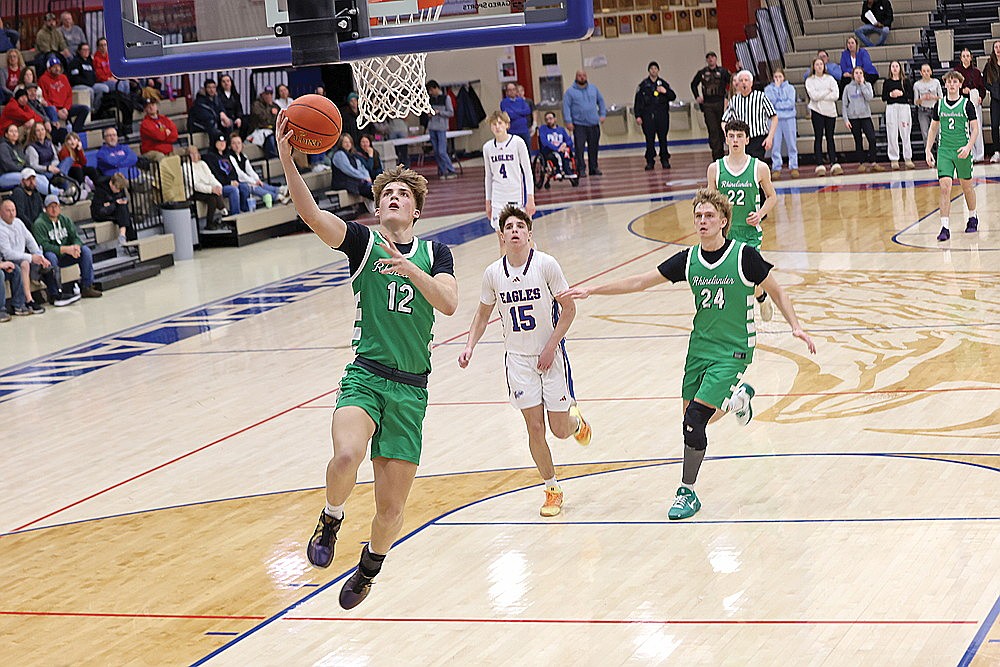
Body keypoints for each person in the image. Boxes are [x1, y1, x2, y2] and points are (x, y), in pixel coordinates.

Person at [276, 110, 459, 609]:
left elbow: (447, 302)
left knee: (390, 511)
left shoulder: (437, 253)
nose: (393, 199)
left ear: (416, 210)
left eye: (401, 195)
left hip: (411, 390)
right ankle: (331, 517)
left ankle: (369, 570)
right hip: (367, 376)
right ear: (377, 210)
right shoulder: (364, 244)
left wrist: (408, 268)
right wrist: (288, 161)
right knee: (345, 455)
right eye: (385, 196)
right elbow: (313, 216)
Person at [557, 188, 816, 520]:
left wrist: (795, 325)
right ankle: (737, 401)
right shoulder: (689, 259)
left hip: (734, 348)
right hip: (700, 347)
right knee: (691, 419)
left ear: (724, 221)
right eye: (698, 216)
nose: (702, 221)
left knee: (694, 421)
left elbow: (776, 289)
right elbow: (640, 282)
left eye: (709, 216)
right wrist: (592, 289)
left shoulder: (744, 256)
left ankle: (687, 492)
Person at [458, 205, 592, 517]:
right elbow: (481, 314)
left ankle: (576, 422)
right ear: (501, 235)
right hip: (518, 361)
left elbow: (569, 309)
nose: (515, 231)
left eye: (521, 226)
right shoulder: (493, 273)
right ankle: (552, 488)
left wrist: (550, 347)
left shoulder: (546, 265)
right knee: (534, 427)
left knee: (559, 429)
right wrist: (470, 346)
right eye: (510, 227)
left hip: (551, 355)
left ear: (529, 234)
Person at [707, 119, 779, 320]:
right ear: (726, 139)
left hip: (749, 232)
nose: (735, 140)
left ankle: (762, 297)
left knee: (749, 274)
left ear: (747, 139)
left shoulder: (759, 167)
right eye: (731, 136)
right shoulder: (715, 168)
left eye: (739, 136)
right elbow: (710, 203)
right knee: (730, 276)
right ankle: (743, 310)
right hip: (725, 233)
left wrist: (760, 213)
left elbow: (772, 197)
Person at [925, 70, 979, 241]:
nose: (952, 84)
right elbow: (933, 128)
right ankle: (945, 227)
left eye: (955, 81)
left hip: (962, 150)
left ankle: (973, 216)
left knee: (967, 187)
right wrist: (928, 149)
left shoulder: (966, 104)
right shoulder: (939, 105)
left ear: (960, 84)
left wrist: (969, 147)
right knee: (945, 187)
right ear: (946, 84)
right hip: (945, 151)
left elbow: (975, 129)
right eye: (949, 81)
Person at [32, 194, 102, 298]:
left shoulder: (65, 220)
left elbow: (76, 237)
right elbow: (44, 246)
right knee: (50, 256)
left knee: (85, 251)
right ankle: (55, 293)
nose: (54, 209)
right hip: (51, 257)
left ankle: (87, 287)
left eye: (56, 206)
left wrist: (76, 247)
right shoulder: (39, 224)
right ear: (45, 209)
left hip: (67, 255)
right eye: (51, 207)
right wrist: (64, 249)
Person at [482, 110, 534, 246]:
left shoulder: (517, 142)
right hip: (498, 198)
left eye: (500, 123)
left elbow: (528, 172)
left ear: (507, 124)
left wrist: (530, 197)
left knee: (524, 239)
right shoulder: (487, 147)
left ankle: (532, 260)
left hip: (517, 196)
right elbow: (488, 176)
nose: (497, 127)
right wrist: (488, 201)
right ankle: (505, 267)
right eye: (494, 124)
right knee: (503, 240)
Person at [0, 198, 58, 312]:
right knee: (24, 264)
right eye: (8, 211)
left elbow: (30, 240)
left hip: (20, 258)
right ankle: (28, 300)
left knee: (47, 261)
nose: (12, 213)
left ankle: (55, 293)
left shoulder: (18, 222)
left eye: (13, 210)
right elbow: (8, 254)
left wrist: (40, 256)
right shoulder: (1, 228)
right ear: (1, 212)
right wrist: (31, 257)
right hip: (8, 259)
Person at [721, 70, 777, 160]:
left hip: (758, 138)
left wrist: (770, 137)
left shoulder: (760, 97)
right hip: (740, 139)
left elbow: (774, 117)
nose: (743, 83)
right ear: (737, 84)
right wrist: (728, 135)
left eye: (746, 80)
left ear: (751, 83)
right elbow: (724, 121)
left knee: (755, 167)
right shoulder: (734, 100)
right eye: (741, 80)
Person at [634, 61, 676, 170]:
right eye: (651, 69)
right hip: (648, 117)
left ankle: (664, 159)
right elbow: (638, 102)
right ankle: (650, 161)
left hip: (662, 116)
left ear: (658, 70)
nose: (654, 70)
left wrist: (665, 91)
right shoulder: (643, 85)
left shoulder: (663, 84)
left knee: (663, 139)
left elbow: (673, 96)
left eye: (655, 68)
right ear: (649, 71)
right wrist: (638, 116)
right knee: (649, 140)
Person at [563, 69, 605, 176]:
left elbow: (601, 101)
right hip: (579, 124)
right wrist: (568, 121)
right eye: (580, 75)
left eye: (584, 75)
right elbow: (566, 107)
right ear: (576, 77)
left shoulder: (593, 89)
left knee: (594, 147)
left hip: (593, 124)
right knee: (579, 148)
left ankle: (593, 168)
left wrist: (602, 114)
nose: (582, 77)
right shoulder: (570, 92)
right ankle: (581, 169)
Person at [805, 57, 843, 176]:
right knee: (818, 137)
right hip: (817, 111)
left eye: (821, 64)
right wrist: (827, 92)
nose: (819, 66)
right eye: (817, 64)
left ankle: (833, 162)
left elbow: (836, 95)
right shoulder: (810, 80)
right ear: (813, 67)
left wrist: (822, 95)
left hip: (830, 112)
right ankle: (820, 164)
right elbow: (814, 96)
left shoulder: (830, 79)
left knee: (830, 137)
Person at [691, 52, 732, 161]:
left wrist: (728, 97)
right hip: (708, 104)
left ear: (716, 59)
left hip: (720, 103)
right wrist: (697, 97)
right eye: (708, 58)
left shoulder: (723, 72)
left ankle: (726, 153)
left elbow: (732, 82)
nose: (710, 60)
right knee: (713, 130)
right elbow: (693, 84)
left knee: (722, 129)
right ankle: (717, 156)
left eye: (712, 57)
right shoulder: (702, 72)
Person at [843, 66, 884, 173]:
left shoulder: (868, 85)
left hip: (865, 116)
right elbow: (844, 105)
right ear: (853, 75)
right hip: (853, 117)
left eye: (860, 73)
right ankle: (861, 163)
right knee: (858, 140)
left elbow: (869, 97)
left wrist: (862, 85)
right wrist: (846, 119)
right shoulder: (848, 88)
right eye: (856, 73)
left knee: (872, 138)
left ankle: (873, 162)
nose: (858, 75)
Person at [228, 134, 288, 207]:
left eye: (239, 143)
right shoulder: (230, 157)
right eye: (234, 143)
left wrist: (257, 179)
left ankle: (280, 190)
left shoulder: (243, 156)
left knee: (259, 183)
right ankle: (277, 196)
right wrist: (253, 181)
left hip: (246, 180)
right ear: (230, 145)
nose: (237, 146)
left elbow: (250, 170)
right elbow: (239, 174)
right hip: (238, 182)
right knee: (251, 185)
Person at [1, 129, 61, 197]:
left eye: (16, 131)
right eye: (11, 131)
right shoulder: (3, 146)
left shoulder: (18, 147)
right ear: (6, 134)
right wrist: (23, 170)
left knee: (42, 177)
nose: (14, 133)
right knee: (30, 178)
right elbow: (8, 165)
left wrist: (28, 169)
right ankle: (59, 193)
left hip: (19, 172)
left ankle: (53, 195)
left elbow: (24, 162)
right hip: (5, 175)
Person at [38, 55, 88, 132]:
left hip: (65, 108)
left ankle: (75, 132)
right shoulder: (43, 80)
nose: (57, 69)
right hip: (53, 109)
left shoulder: (63, 77)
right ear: (49, 69)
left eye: (58, 66)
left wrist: (66, 109)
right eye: (54, 67)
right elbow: (45, 99)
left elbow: (69, 95)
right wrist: (58, 112)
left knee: (84, 109)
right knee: (52, 110)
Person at [763, 68, 798, 177]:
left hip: (789, 118)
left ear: (784, 77)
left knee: (792, 143)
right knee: (775, 144)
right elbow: (770, 103)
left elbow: (790, 103)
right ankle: (776, 167)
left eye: (780, 76)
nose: (778, 79)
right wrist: (777, 89)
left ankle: (794, 166)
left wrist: (778, 104)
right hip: (774, 119)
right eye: (776, 77)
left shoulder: (790, 88)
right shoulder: (768, 89)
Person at [954, 48, 986, 162]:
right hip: (962, 103)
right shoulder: (956, 71)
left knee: (976, 128)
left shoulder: (976, 72)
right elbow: (953, 86)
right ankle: (969, 153)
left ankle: (980, 154)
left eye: (968, 56)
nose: (966, 58)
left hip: (974, 102)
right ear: (961, 58)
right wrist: (962, 90)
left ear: (971, 57)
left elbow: (982, 88)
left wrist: (981, 97)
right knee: (965, 129)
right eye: (964, 56)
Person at [881, 60, 914, 169]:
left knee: (905, 133)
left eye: (896, 66)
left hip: (903, 108)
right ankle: (894, 159)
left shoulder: (905, 81)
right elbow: (883, 97)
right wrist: (891, 94)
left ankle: (908, 158)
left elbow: (911, 96)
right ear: (890, 69)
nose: (895, 68)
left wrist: (901, 93)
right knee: (892, 133)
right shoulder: (887, 82)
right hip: (891, 108)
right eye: (893, 66)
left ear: (900, 68)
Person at [205, 133, 249, 214]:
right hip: (221, 186)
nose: (222, 144)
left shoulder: (227, 155)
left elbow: (234, 172)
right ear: (214, 143)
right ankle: (235, 215)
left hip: (231, 183)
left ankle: (245, 210)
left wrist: (234, 180)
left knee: (244, 187)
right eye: (219, 142)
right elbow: (215, 175)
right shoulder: (210, 157)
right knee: (233, 190)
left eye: (224, 142)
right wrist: (229, 182)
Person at [186, 145, 228, 228]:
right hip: (195, 192)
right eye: (192, 154)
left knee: (212, 198)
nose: (194, 155)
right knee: (213, 197)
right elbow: (195, 185)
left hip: (208, 189)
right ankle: (223, 210)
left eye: (196, 153)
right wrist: (211, 189)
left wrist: (218, 186)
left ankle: (210, 223)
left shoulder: (202, 163)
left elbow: (211, 177)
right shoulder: (186, 166)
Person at [91, 173, 135, 244]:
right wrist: (114, 204)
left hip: (113, 210)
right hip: (100, 214)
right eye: (117, 188)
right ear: (111, 183)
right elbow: (99, 211)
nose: (118, 191)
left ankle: (123, 235)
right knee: (122, 210)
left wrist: (117, 202)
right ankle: (128, 238)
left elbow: (121, 198)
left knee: (122, 208)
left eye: (120, 189)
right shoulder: (100, 190)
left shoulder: (119, 188)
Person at [425, 80, 457, 179]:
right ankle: (443, 171)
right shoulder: (430, 100)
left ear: (436, 88)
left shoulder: (446, 98)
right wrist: (429, 114)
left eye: (431, 90)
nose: (430, 93)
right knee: (436, 151)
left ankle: (451, 170)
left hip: (441, 128)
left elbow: (451, 113)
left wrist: (439, 112)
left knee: (442, 151)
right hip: (432, 127)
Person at [330, 133, 374, 205]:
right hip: (343, 182)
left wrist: (367, 176)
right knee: (371, 190)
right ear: (341, 143)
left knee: (372, 189)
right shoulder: (339, 154)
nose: (348, 144)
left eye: (349, 142)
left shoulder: (352, 155)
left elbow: (361, 168)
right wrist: (363, 177)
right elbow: (349, 170)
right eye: (345, 142)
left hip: (354, 182)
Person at [913, 63, 942, 157]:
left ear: (931, 72)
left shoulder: (936, 82)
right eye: (924, 71)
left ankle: (940, 156)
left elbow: (941, 97)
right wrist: (923, 98)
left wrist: (933, 97)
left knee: (938, 134)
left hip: (935, 110)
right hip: (923, 110)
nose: (926, 73)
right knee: (925, 134)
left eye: (928, 71)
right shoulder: (917, 85)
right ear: (921, 73)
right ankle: (929, 155)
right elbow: (915, 102)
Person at [58, 132, 99, 196]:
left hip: (78, 168)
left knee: (91, 169)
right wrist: (78, 165)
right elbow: (67, 163)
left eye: (74, 139)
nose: (72, 142)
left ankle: (98, 187)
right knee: (78, 169)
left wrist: (79, 150)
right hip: (69, 170)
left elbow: (83, 163)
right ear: (66, 141)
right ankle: (80, 189)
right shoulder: (64, 150)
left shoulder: (77, 150)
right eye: (70, 140)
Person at [538, 111, 575, 179]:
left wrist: (565, 144)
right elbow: (544, 142)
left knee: (567, 152)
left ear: (555, 119)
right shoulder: (543, 129)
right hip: (549, 151)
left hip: (562, 150)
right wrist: (557, 148)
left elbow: (569, 141)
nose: (549, 121)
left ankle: (568, 171)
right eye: (546, 119)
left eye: (550, 118)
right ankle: (558, 171)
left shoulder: (561, 130)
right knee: (557, 155)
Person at [247, 85, 280, 158]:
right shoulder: (256, 105)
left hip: (273, 129)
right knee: (270, 138)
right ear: (262, 94)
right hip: (260, 130)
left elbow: (279, 118)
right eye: (267, 94)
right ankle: (273, 158)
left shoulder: (274, 105)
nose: (269, 96)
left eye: (271, 94)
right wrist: (271, 112)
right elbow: (263, 119)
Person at [67, 42, 99, 110]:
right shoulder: (75, 62)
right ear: (79, 51)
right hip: (78, 85)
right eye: (84, 50)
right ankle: (90, 109)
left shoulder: (89, 61)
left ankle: (97, 109)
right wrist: (87, 82)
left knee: (104, 88)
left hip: (90, 84)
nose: (86, 51)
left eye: (87, 50)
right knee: (90, 91)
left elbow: (93, 75)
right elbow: (74, 78)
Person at [500, 82, 533, 148]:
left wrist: (515, 110)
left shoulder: (521, 100)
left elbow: (527, 111)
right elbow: (510, 115)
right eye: (509, 90)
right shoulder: (504, 102)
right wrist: (521, 113)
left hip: (524, 130)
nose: (512, 91)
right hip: (512, 131)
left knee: (527, 150)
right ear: (506, 92)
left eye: (513, 89)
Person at [986, 41, 1000, 163]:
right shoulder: (989, 64)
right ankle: (996, 152)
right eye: (996, 47)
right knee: (995, 125)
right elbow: (985, 82)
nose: (998, 49)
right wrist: (993, 89)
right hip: (995, 99)